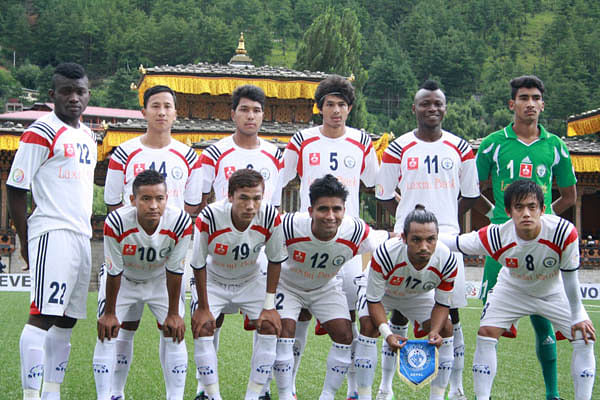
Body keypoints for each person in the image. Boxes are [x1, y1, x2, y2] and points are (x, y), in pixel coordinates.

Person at [272, 75, 379, 399]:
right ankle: (288, 389)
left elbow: (375, 184)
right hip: (308, 234)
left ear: (349, 108)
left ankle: (350, 391)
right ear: (320, 108)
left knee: (349, 319)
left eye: (342, 105)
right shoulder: (302, 139)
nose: (336, 110)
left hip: (348, 241)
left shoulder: (362, 141)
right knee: (297, 314)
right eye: (330, 104)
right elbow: (280, 181)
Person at [440, 180, 595, 400]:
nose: (526, 213)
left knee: (583, 336)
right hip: (511, 290)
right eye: (519, 207)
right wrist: (415, 237)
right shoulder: (496, 236)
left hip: (552, 290)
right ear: (508, 211)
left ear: (543, 210)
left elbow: (570, 276)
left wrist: (578, 313)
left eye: (532, 207)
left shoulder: (563, 232)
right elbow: (455, 242)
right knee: (486, 332)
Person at [375, 80, 479, 399]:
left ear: (445, 108)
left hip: (447, 236)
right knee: (400, 309)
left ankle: (456, 386)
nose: (432, 109)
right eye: (425, 104)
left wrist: (443, 222)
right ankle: (385, 386)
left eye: (437, 104)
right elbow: (383, 195)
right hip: (407, 238)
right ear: (414, 108)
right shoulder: (398, 147)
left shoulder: (461, 148)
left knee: (453, 314)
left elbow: (471, 196)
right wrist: (408, 222)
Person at [475, 75, 577, 400]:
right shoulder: (493, 143)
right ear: (512, 104)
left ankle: (552, 393)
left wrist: (547, 221)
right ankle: (483, 394)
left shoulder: (556, 146)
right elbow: (472, 190)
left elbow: (570, 195)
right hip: (503, 243)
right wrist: (496, 216)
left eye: (535, 98)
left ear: (543, 104)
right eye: (523, 98)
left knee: (543, 319)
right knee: (489, 320)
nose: (530, 103)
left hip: (542, 243)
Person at [96, 85, 201, 399]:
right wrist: (137, 237)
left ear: (176, 112)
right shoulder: (125, 152)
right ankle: (114, 392)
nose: (162, 112)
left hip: (172, 250)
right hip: (129, 255)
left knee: (171, 325)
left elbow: (192, 205)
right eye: (155, 106)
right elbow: (114, 203)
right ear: (144, 111)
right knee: (123, 327)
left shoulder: (188, 155)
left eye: (168, 106)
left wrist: (167, 233)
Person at [7, 62, 96, 400]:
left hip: (80, 236)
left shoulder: (88, 135)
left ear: (88, 94)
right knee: (42, 315)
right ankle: (32, 396)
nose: (74, 98)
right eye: (66, 92)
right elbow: (17, 187)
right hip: (52, 232)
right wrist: (26, 239)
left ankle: (51, 393)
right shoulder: (41, 131)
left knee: (67, 320)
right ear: (53, 95)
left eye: (80, 91)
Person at [193, 84, 282, 400]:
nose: (250, 115)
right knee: (208, 320)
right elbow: (201, 199)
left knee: (270, 320)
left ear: (263, 115)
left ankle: (261, 390)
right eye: (244, 109)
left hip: (256, 250)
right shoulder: (215, 152)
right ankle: (204, 389)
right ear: (233, 114)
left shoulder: (274, 153)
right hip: (219, 247)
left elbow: (277, 206)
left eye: (257, 110)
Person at [272, 174, 389, 400]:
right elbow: (265, 247)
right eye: (323, 209)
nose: (330, 216)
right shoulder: (289, 225)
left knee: (345, 335)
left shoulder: (356, 230)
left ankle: (327, 395)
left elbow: (381, 249)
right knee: (285, 331)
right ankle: (286, 394)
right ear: (310, 211)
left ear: (345, 210)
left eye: (337, 209)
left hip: (325, 287)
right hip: (289, 287)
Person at [93, 170, 192, 400]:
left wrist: (174, 313)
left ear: (167, 198)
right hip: (124, 279)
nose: (153, 205)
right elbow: (114, 270)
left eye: (159, 198)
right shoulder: (116, 222)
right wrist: (109, 313)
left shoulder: (180, 222)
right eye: (146, 199)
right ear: (132, 200)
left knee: (174, 332)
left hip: (160, 280)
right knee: (108, 333)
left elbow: (176, 269)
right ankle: (109, 395)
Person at [190, 169, 288, 400]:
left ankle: (255, 395)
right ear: (230, 196)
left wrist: (269, 304)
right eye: (244, 198)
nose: (251, 205)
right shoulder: (210, 217)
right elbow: (198, 263)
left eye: (257, 198)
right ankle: (209, 394)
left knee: (270, 326)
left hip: (250, 279)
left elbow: (275, 260)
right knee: (203, 326)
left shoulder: (270, 216)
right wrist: (203, 307)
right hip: (214, 280)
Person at [355, 205, 458, 400]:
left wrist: (434, 331)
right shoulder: (385, 253)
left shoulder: (447, 260)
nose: (424, 246)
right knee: (369, 325)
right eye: (416, 240)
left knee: (446, 328)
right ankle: (366, 395)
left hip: (416, 295)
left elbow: (443, 304)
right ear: (403, 238)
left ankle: (437, 396)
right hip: (383, 293)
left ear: (437, 238)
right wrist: (387, 334)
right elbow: (374, 300)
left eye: (430, 239)